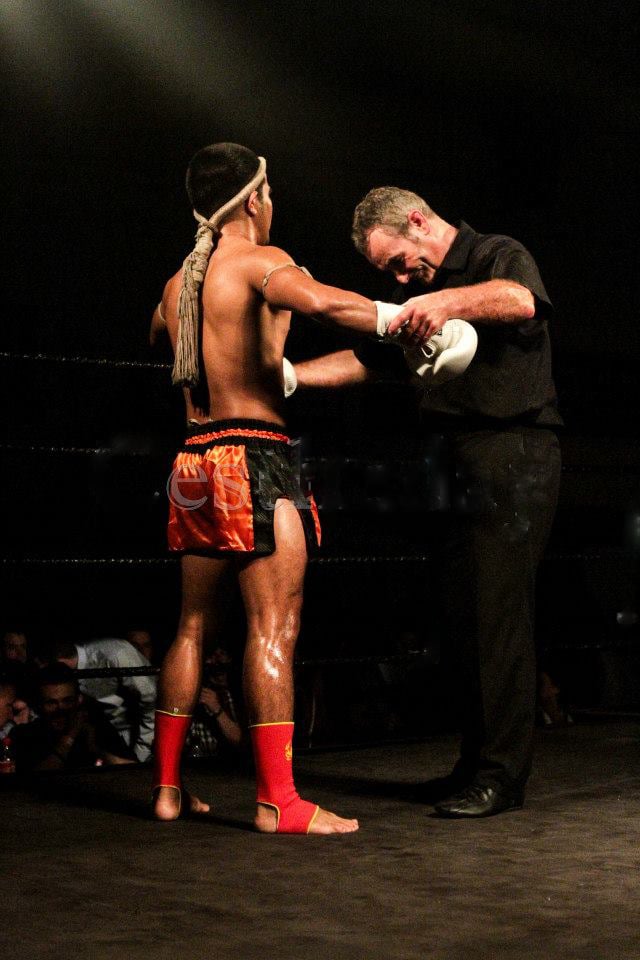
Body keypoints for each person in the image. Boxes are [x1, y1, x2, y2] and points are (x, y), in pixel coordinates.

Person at [150, 143, 475, 834]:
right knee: (273, 626)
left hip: (192, 461)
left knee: (191, 625)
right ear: (253, 199)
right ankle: (279, 801)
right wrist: (402, 320)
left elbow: (160, 336)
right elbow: (324, 301)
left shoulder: (178, 283)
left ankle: (169, 790)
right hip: (253, 454)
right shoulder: (263, 261)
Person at [290, 186, 562, 817]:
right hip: (449, 461)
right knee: (459, 618)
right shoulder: (418, 299)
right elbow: (367, 360)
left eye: (396, 262)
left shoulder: (496, 253)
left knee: (496, 614)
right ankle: (473, 764)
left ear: (416, 221)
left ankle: (501, 776)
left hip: (511, 452)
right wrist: (292, 376)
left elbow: (520, 300)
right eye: (389, 273)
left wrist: (440, 299)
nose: (398, 276)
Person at [11, 663, 135, 772]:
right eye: (51, 703)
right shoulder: (25, 735)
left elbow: (134, 771)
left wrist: (97, 750)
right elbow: (31, 782)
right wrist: (70, 736)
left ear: (78, 700)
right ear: (39, 705)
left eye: (67, 701)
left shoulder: (96, 729)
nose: (60, 709)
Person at [54, 637, 156, 763]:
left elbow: (152, 702)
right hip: (104, 737)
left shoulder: (115, 653)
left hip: (141, 736)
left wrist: (141, 754)